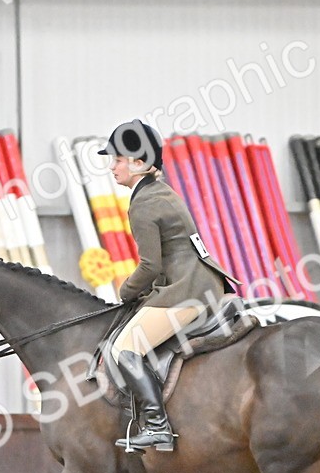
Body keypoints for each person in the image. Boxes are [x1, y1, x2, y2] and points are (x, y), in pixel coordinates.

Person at [97, 120, 240, 453]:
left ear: (140, 163)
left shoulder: (144, 204)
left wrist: (126, 292)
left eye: (118, 159)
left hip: (184, 292)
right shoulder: (161, 192)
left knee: (123, 350)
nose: (112, 166)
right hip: (203, 284)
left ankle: (157, 426)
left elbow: (150, 266)